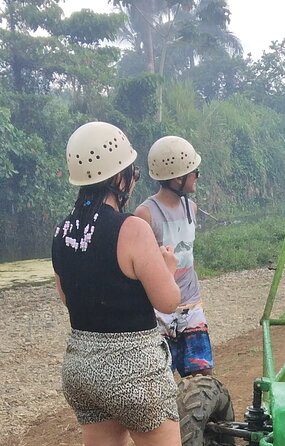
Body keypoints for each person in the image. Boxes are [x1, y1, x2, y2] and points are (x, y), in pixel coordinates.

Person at [51, 122, 182, 445]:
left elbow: (68, 298)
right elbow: (167, 301)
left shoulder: (62, 232)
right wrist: (166, 268)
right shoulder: (132, 229)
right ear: (118, 177)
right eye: (133, 173)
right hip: (135, 373)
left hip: (81, 371)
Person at [135, 135, 214, 377]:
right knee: (162, 379)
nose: (197, 176)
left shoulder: (191, 208)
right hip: (159, 312)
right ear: (178, 178)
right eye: (194, 172)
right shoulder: (145, 214)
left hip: (191, 304)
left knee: (202, 373)